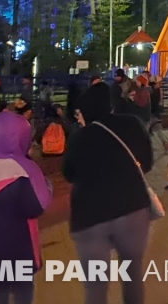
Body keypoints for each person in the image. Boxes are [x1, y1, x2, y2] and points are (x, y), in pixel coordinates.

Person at [64, 83, 153, 304]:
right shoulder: (132, 124)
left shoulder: (78, 139)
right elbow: (147, 163)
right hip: (132, 208)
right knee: (132, 274)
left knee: (95, 286)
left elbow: (68, 173)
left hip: (90, 218)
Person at [0, 111, 53, 304]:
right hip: (18, 248)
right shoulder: (22, 170)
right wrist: (46, 185)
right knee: (23, 290)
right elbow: (37, 206)